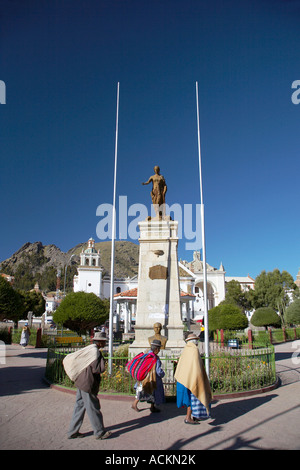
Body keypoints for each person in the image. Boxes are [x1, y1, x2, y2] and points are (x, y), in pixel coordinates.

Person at [68, 332, 111, 440]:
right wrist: (102, 360)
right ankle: (99, 432)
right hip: (88, 383)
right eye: (104, 341)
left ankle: (72, 431)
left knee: (79, 406)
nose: (105, 343)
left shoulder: (89, 349)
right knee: (93, 407)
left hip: (81, 381)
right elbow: (98, 369)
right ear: (100, 342)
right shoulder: (95, 352)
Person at [174, 333, 212, 425]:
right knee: (193, 397)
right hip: (192, 378)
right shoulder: (194, 350)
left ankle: (193, 415)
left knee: (190, 398)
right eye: (197, 341)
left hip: (185, 378)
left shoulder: (186, 349)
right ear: (194, 341)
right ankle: (188, 417)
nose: (197, 343)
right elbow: (196, 366)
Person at [131, 339, 165, 413]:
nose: (159, 351)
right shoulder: (155, 358)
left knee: (144, 391)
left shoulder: (146, 354)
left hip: (144, 377)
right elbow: (158, 371)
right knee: (151, 392)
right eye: (159, 349)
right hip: (152, 379)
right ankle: (135, 404)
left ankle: (152, 407)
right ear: (156, 349)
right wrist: (163, 374)